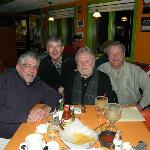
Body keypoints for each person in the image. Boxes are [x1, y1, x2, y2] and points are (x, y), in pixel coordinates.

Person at [0, 52, 61, 139]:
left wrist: (47, 108)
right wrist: (26, 117)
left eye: (35, 67)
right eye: (28, 66)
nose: (32, 70)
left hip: (28, 134)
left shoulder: (38, 85)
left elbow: (59, 99)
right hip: (3, 138)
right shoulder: (4, 80)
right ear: (18, 67)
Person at [97, 41, 150, 109]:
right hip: (109, 109)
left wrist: (141, 105)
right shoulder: (101, 69)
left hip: (132, 108)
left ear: (124, 54)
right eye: (111, 53)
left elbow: (148, 86)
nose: (115, 56)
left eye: (118, 53)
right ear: (108, 56)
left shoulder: (135, 70)